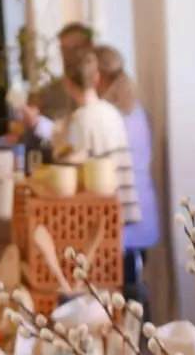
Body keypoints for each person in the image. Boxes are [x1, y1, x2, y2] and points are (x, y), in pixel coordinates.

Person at [95, 45, 160, 314]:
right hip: (145, 209)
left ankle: (137, 348)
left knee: (128, 293)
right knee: (135, 284)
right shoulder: (137, 110)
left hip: (126, 216)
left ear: (97, 76)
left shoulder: (109, 116)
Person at [58, 48, 141, 228]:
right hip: (124, 207)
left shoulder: (80, 120)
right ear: (96, 77)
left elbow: (76, 171)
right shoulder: (112, 112)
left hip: (101, 216)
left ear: (67, 84)